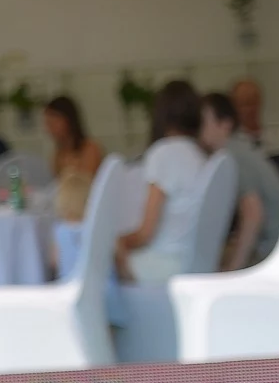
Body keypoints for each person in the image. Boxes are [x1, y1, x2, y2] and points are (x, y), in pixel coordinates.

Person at [115, 80, 208, 284]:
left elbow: (145, 234)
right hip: (195, 263)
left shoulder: (162, 153)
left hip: (164, 265)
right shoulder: (200, 156)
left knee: (103, 258)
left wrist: (117, 241)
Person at [202, 91, 279, 267]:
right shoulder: (242, 147)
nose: (198, 129)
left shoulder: (232, 155)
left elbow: (253, 215)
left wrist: (233, 270)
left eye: (203, 122)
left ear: (225, 124)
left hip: (270, 252)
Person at [42, 96, 106, 224]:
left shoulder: (90, 149)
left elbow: (85, 186)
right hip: (67, 213)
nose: (49, 129)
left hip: (88, 211)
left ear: (67, 120)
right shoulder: (57, 154)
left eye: (52, 122)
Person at [230, 77, 264, 148]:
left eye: (253, 102)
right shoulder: (230, 141)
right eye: (245, 104)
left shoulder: (277, 135)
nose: (251, 109)